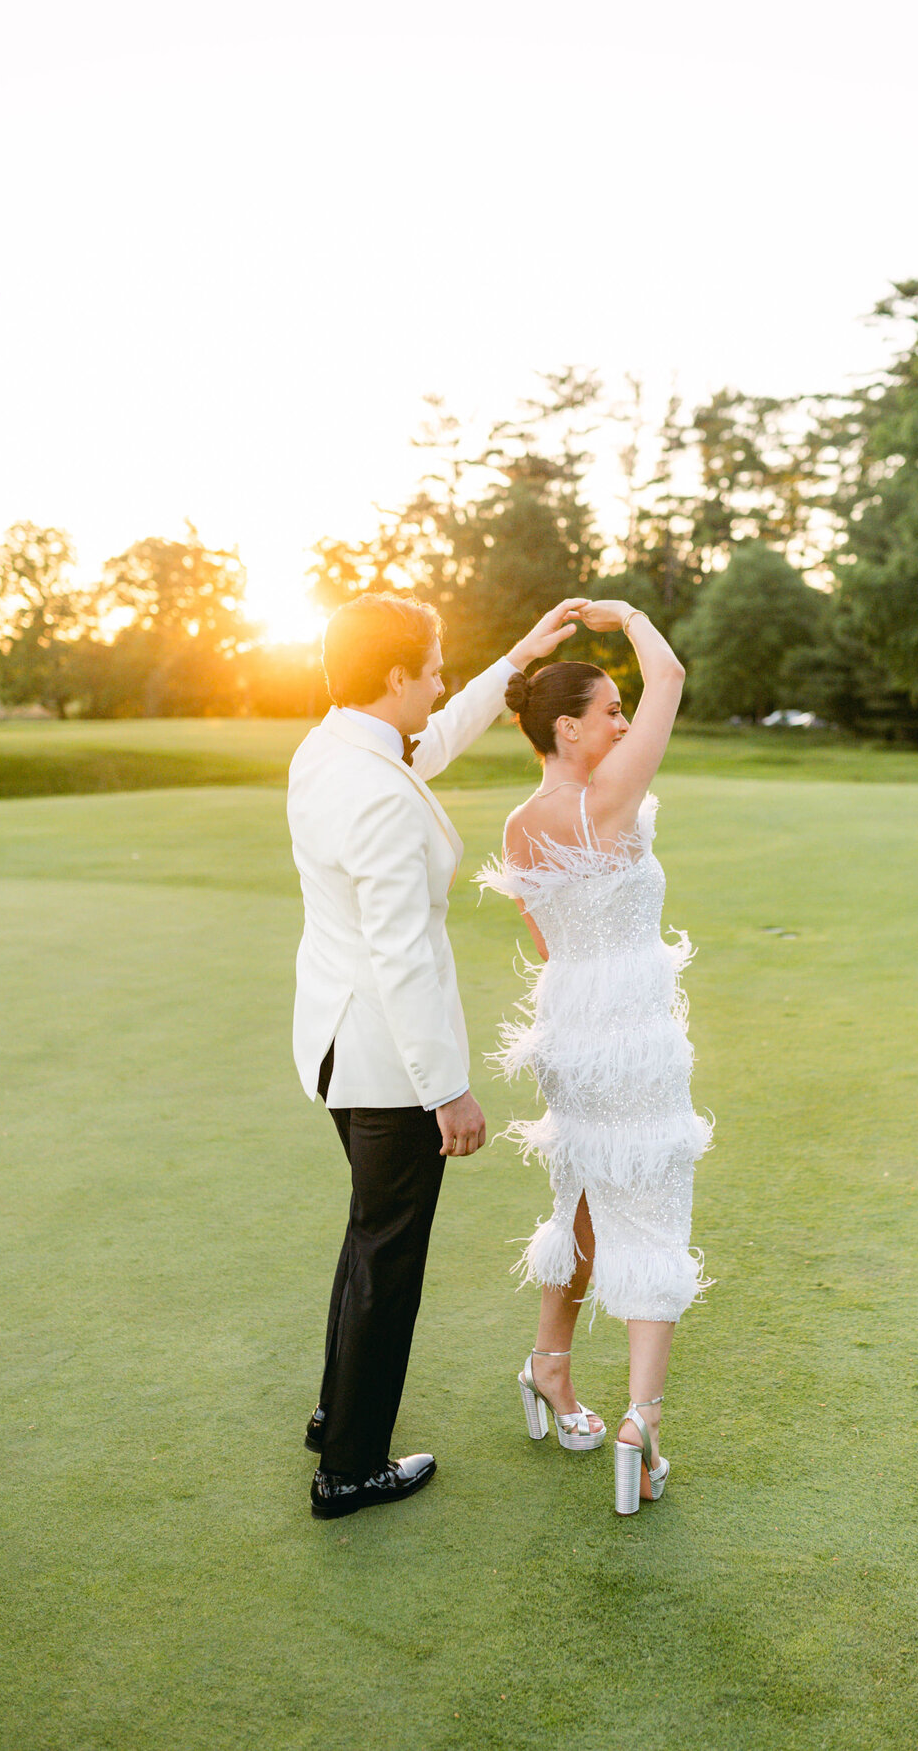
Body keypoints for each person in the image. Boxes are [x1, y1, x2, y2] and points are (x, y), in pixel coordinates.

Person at [288, 591, 587, 1520]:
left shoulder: (333, 746)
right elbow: (401, 955)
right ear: (394, 677)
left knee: (367, 1234)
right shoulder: (375, 792)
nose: (442, 681)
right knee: (389, 1254)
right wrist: (447, 1091)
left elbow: (431, 739)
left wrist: (516, 661)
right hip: (386, 1062)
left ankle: (338, 1412)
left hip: (337, 1045)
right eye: (432, 669)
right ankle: (350, 1468)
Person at [477, 599, 713, 1516]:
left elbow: (544, 939)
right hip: (632, 1026)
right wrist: (627, 615)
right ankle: (641, 1423)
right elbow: (673, 677)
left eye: (623, 711)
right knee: (650, 1208)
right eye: (608, 713)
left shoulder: (519, 824)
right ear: (568, 728)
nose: (624, 723)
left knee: (578, 1193)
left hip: (566, 1022)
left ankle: (550, 1366)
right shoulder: (605, 798)